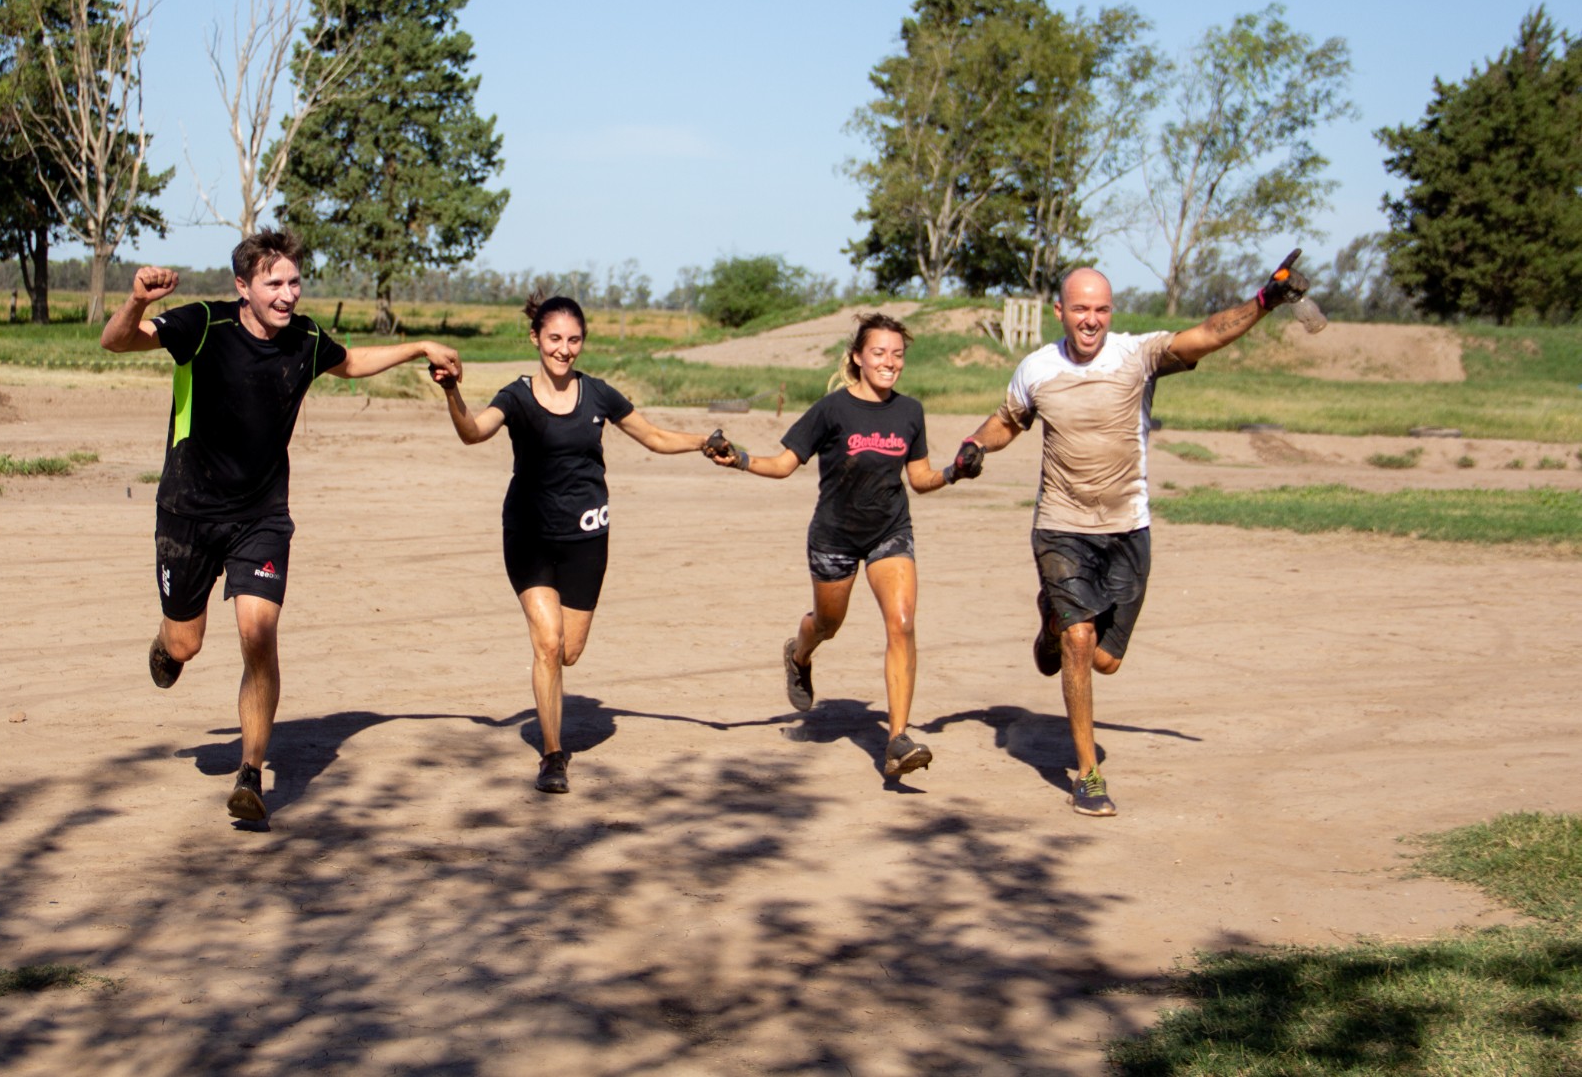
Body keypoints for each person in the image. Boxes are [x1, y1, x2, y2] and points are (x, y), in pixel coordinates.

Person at [100, 229, 460, 824]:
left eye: (294, 281)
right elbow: (117, 342)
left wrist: (419, 346)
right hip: (187, 512)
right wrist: (138, 300)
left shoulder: (307, 338)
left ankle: (250, 774)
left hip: (262, 517)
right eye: (274, 283)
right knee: (186, 642)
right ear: (243, 287)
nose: (288, 294)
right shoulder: (203, 325)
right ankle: (168, 646)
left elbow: (351, 363)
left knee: (257, 635)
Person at [954, 253, 1311, 817]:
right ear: (1060, 312)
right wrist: (975, 444)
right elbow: (1007, 420)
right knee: (1079, 642)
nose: (1090, 320)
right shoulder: (1037, 367)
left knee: (1105, 660)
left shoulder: (1138, 355)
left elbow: (1207, 336)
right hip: (1061, 526)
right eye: (1079, 309)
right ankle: (1087, 776)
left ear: (1110, 311)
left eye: (1099, 309)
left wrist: (1265, 301)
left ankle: (1053, 620)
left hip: (1127, 527)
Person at [429, 294, 715, 794]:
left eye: (573, 340)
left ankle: (552, 705)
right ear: (535, 339)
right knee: (547, 642)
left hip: (587, 537)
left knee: (570, 651)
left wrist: (703, 442)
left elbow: (652, 436)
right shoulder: (514, 396)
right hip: (529, 535)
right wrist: (454, 393)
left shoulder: (599, 395)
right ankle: (553, 755)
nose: (564, 350)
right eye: (555, 339)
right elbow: (473, 432)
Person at [706, 313, 985, 779]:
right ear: (858, 357)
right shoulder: (832, 409)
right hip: (833, 536)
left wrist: (956, 470)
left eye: (897, 354)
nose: (889, 362)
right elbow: (783, 464)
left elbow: (919, 479)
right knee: (828, 624)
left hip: (889, 532)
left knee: (902, 623)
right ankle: (799, 654)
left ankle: (896, 740)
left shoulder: (910, 411)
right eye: (879, 352)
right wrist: (740, 459)